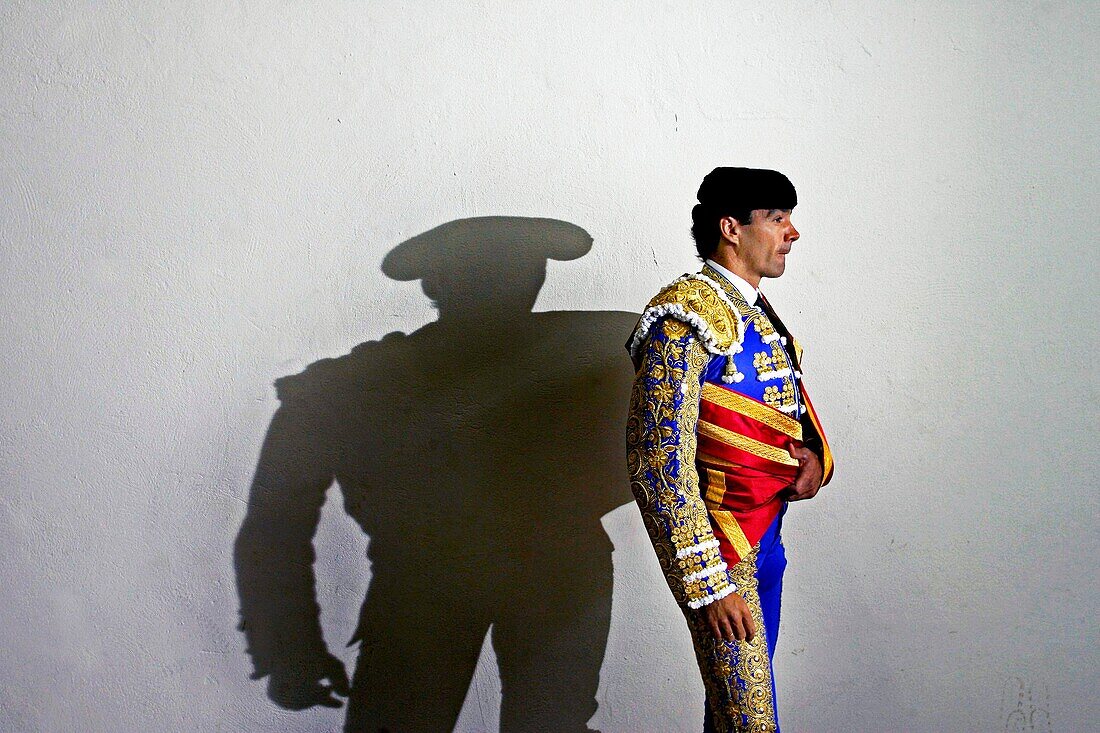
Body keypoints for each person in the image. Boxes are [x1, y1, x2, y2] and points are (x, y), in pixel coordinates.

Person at [625, 167, 834, 732]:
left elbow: (776, 410)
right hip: (722, 548)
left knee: (733, 716)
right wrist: (708, 583)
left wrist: (810, 458)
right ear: (731, 228)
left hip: (765, 534)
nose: (793, 233)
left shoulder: (753, 310)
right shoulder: (683, 316)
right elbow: (656, 463)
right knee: (749, 723)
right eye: (776, 218)